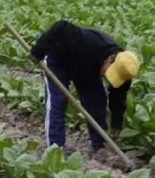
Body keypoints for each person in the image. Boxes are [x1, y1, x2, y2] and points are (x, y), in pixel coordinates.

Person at [29, 20, 140, 161]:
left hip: (87, 69)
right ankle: (55, 150)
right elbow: (60, 26)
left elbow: (118, 98)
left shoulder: (126, 70)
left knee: (97, 101)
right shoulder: (86, 42)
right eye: (110, 72)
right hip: (58, 60)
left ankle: (99, 146)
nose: (107, 76)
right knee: (58, 101)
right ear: (110, 59)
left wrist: (116, 124)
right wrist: (37, 51)